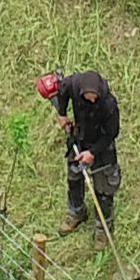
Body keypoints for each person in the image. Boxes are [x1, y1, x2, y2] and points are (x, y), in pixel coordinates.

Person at [37, 69, 120, 237]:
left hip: (101, 144)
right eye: (88, 96)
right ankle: (77, 213)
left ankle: (103, 230)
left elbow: (112, 133)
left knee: (104, 190)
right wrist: (62, 115)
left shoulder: (108, 104)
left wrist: (93, 153)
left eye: (94, 96)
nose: (92, 99)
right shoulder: (73, 84)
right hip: (80, 137)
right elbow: (61, 93)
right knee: (74, 178)